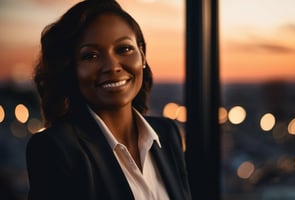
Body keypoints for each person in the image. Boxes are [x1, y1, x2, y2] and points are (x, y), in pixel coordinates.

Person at [26, 0, 192, 199]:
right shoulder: (55, 149)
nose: (112, 66)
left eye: (124, 49)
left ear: (143, 55)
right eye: (91, 56)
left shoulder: (168, 133)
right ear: (71, 69)